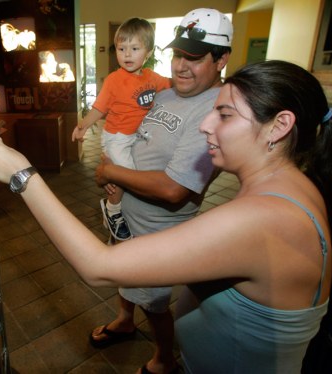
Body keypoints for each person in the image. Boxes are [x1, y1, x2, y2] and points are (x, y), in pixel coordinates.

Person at [0, 59, 332, 373]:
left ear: (279, 126)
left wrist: (22, 176)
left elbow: (97, 265)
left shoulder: (262, 218)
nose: (205, 125)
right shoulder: (298, 186)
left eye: (224, 114)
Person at [91, 8, 232, 374]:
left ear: (221, 60)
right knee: (125, 278)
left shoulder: (215, 112)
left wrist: (112, 170)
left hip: (159, 227)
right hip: (128, 215)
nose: (181, 66)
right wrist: (115, 171)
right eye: (177, 55)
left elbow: (174, 190)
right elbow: (139, 135)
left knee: (154, 302)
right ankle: (124, 321)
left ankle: (165, 359)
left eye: (195, 57)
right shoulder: (166, 94)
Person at [72, 17, 172, 241]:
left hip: (137, 137)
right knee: (126, 174)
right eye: (121, 48)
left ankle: (121, 208)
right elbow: (99, 107)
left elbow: (173, 85)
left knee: (133, 173)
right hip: (117, 137)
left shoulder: (152, 78)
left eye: (134, 48)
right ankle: (112, 210)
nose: (127, 54)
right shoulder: (114, 80)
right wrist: (83, 125)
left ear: (148, 52)